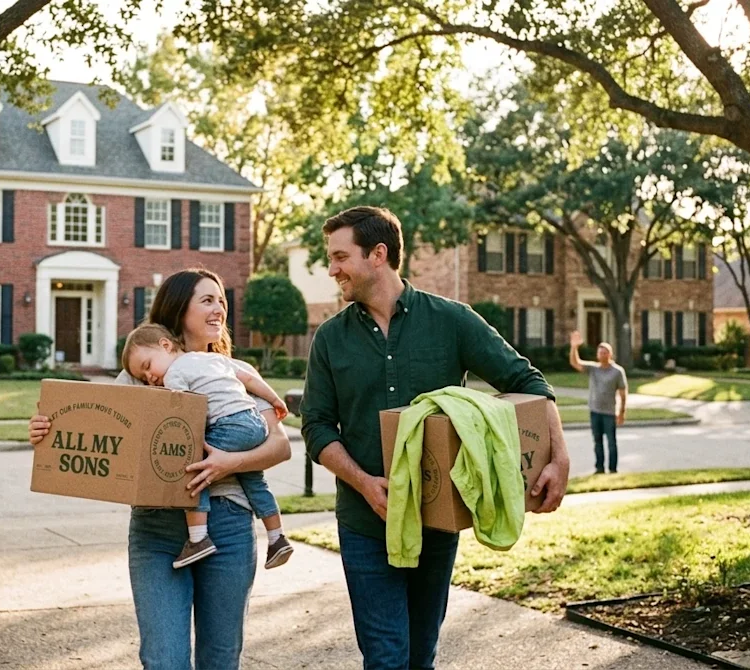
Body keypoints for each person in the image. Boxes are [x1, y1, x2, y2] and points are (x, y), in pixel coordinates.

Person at [299, 206, 571, 670]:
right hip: (366, 524)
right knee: (387, 659)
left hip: (437, 520)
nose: (333, 269)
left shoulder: (451, 320)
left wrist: (559, 457)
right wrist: (364, 482)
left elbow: (528, 382)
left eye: (341, 256)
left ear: (378, 254)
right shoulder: (330, 338)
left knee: (420, 655)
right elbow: (316, 426)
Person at [28, 268, 291, 670]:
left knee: (220, 660)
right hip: (157, 529)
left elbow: (279, 445)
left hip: (229, 524)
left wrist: (228, 463)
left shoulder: (228, 374)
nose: (219, 307)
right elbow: (88, 426)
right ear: (177, 308)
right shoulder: (139, 371)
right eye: (207, 300)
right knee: (163, 660)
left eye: (221, 299)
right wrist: (47, 429)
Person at [121, 322, 295, 569]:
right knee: (253, 481)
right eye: (142, 377)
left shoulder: (174, 374)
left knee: (194, 467)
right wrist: (275, 400)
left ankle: (198, 538)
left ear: (165, 345)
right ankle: (277, 537)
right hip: (254, 422)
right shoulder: (212, 359)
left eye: (147, 366)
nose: (149, 378)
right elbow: (247, 378)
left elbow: (184, 415)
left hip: (228, 425)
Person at [568, 330, 628, 474]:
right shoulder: (593, 369)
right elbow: (575, 363)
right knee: (597, 442)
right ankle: (599, 468)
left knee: (611, 443)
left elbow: (623, 393)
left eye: (605, 352)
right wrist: (574, 347)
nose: (602, 355)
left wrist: (621, 412)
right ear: (597, 355)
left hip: (609, 413)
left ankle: (613, 469)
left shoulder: (617, 371)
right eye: (600, 352)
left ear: (610, 354)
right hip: (595, 411)